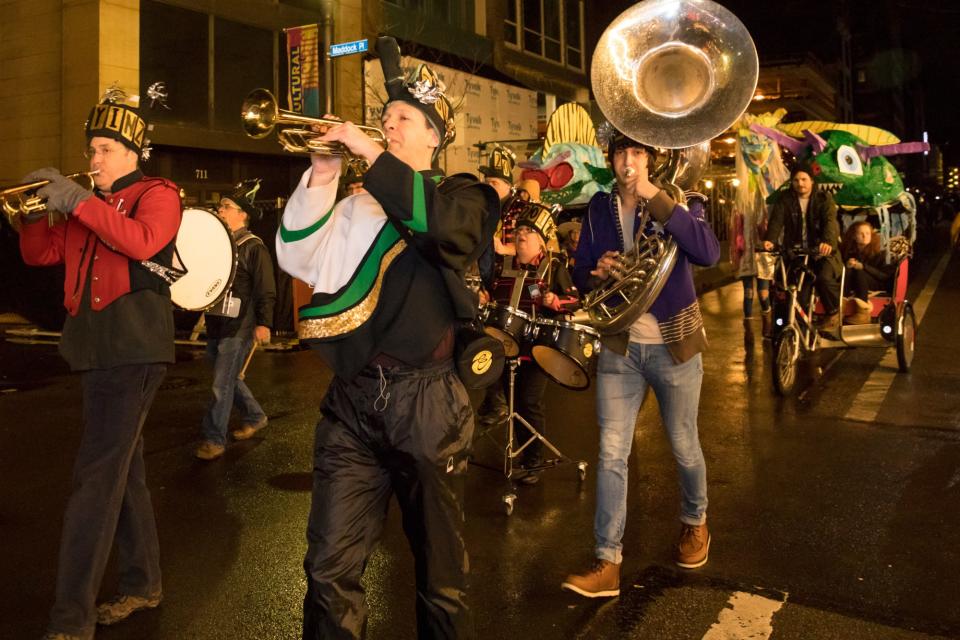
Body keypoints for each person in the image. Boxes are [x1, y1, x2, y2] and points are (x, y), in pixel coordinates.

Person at [275, 36, 498, 639]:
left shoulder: (463, 195)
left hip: (428, 402)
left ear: (434, 136)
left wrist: (367, 149)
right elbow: (298, 258)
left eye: (403, 119)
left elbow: (443, 232)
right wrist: (322, 174)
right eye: (384, 118)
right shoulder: (360, 202)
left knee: (440, 575)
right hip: (351, 403)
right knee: (327, 569)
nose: (388, 125)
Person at [19, 89, 181, 639]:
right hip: (93, 346)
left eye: (106, 148)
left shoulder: (159, 193)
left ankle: (71, 619)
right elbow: (40, 255)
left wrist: (76, 201)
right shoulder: (89, 203)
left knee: (94, 482)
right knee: (122, 475)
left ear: (134, 152)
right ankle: (142, 584)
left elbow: (143, 242)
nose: (94, 159)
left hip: (134, 347)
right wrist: (35, 212)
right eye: (92, 149)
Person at [561, 129, 719, 598]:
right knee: (611, 453)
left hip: (674, 345)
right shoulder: (597, 207)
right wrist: (596, 270)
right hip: (620, 346)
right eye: (620, 153)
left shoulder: (683, 200)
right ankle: (607, 559)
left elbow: (707, 253)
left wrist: (656, 198)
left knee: (684, 444)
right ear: (610, 159)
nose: (628, 162)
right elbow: (579, 269)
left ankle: (696, 522)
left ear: (651, 158)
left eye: (637, 153)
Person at [487, 208, 579, 484]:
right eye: (519, 231)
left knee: (529, 402)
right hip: (506, 348)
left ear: (541, 240)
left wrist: (556, 303)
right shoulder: (502, 265)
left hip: (538, 348)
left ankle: (534, 459)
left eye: (529, 232)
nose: (522, 235)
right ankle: (521, 450)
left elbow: (575, 300)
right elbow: (492, 297)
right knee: (513, 402)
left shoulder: (554, 267)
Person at [195, 180, 276, 460]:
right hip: (217, 321)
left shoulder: (254, 247)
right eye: (220, 206)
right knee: (227, 378)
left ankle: (214, 439)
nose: (220, 210)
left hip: (240, 324)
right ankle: (254, 416)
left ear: (243, 214)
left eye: (226, 207)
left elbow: (266, 288)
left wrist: (264, 323)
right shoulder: (220, 245)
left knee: (221, 383)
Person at [762, 167, 841, 331]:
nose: (800, 184)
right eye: (796, 180)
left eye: (804, 179)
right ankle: (797, 330)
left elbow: (830, 223)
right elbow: (776, 221)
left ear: (812, 180)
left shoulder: (824, 198)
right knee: (794, 290)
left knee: (823, 278)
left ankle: (834, 312)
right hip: (796, 253)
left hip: (821, 253)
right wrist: (770, 240)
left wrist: (827, 242)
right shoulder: (785, 200)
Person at [840, 220, 894, 325]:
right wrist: (848, 265)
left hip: (878, 282)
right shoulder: (849, 250)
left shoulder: (881, 251)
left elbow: (884, 276)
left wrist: (863, 267)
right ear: (854, 236)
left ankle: (863, 313)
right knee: (850, 270)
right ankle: (842, 306)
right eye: (861, 234)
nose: (865, 236)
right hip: (856, 281)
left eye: (868, 233)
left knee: (859, 271)